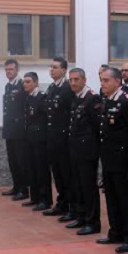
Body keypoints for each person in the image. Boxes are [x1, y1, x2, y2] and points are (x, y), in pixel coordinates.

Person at [97, 67, 128, 252]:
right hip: (108, 158)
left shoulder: (127, 102)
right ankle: (116, 232)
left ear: (117, 81)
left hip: (122, 159)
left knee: (126, 200)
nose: (103, 84)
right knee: (112, 198)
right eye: (101, 80)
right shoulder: (107, 101)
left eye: (106, 80)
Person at [66, 68, 104, 235]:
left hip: (87, 151)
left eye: (76, 79)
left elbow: (97, 127)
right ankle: (81, 216)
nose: (73, 83)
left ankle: (92, 222)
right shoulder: (77, 98)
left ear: (84, 80)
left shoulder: (92, 99)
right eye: (71, 80)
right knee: (78, 185)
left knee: (88, 187)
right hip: (75, 150)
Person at [43, 57, 76, 221]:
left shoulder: (67, 88)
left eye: (55, 67)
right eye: (51, 67)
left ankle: (70, 206)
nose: (51, 70)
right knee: (57, 174)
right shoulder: (52, 87)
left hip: (63, 139)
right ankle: (61, 203)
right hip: (53, 138)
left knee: (66, 174)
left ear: (64, 70)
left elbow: (70, 113)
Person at [22, 72, 52, 211]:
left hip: (40, 140)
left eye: (28, 82)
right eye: (24, 82)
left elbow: (46, 119)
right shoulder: (28, 98)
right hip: (30, 138)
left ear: (35, 83)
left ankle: (45, 199)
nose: (25, 84)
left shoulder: (42, 98)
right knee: (31, 168)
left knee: (41, 170)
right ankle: (35, 197)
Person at [1, 59, 30, 200]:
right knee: (12, 160)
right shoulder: (8, 86)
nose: (8, 72)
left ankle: (24, 189)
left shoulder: (22, 85)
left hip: (19, 131)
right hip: (10, 130)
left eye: (11, 69)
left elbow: (25, 107)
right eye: (6, 70)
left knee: (21, 161)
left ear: (17, 70)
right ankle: (16, 186)